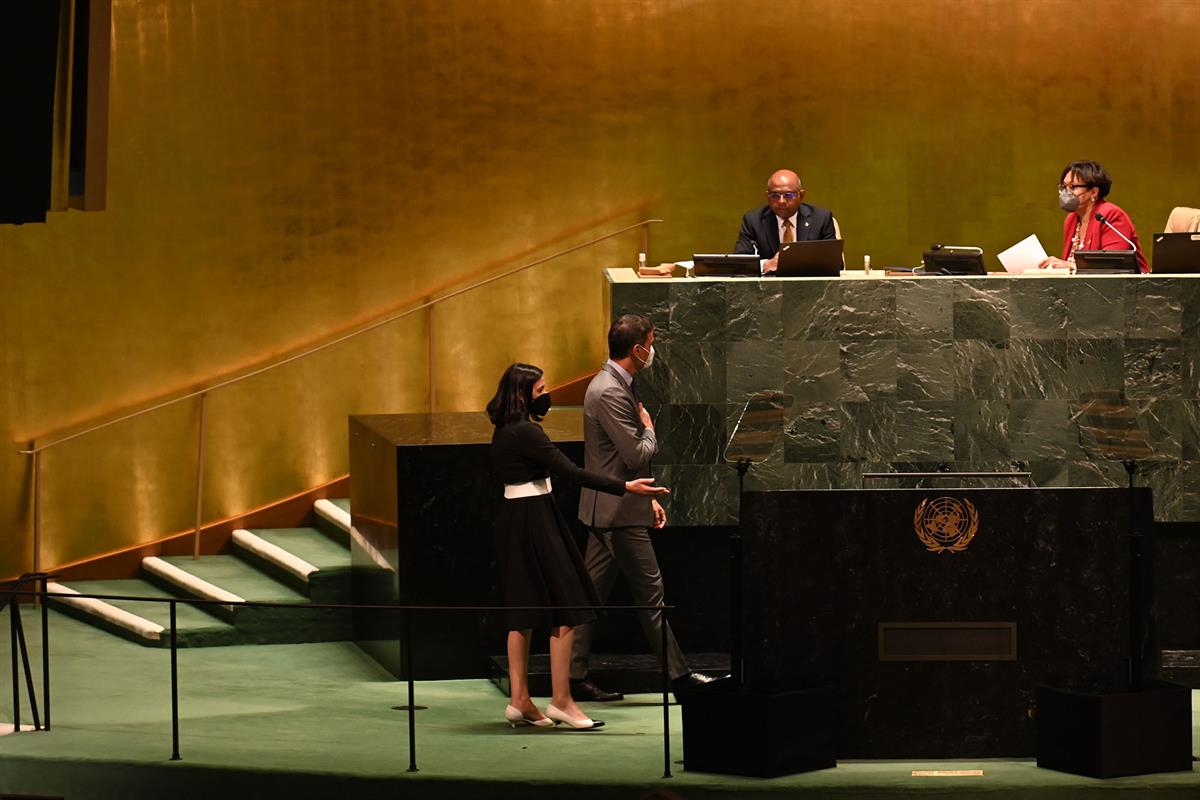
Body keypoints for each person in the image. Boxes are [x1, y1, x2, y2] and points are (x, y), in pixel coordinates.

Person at [488, 362, 668, 731]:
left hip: (517, 517)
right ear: (523, 395)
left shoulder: (506, 429)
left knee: (523, 613)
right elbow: (571, 472)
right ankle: (561, 701)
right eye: (541, 391)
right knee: (567, 608)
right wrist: (626, 487)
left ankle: (520, 700)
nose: (547, 396)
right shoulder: (526, 432)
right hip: (535, 519)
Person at [570, 314, 718, 703]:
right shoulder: (611, 392)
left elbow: (612, 461)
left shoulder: (614, 384)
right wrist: (650, 428)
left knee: (589, 597)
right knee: (651, 596)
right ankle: (680, 678)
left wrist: (646, 497)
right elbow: (635, 452)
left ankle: (572, 675)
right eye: (650, 343)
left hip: (613, 509)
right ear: (637, 349)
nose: (653, 351)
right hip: (618, 516)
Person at [1037, 160, 1149, 273]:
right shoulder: (1071, 220)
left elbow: (1112, 266)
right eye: (1064, 187)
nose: (1066, 192)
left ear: (1094, 192)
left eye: (1072, 186)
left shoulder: (1111, 215)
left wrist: (1067, 265)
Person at [733, 168, 837, 274]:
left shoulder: (821, 219)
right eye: (775, 196)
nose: (781, 201)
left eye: (789, 195)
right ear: (767, 196)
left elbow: (836, 264)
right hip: (769, 288)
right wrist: (766, 264)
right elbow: (740, 263)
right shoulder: (753, 221)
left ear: (801, 195)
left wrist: (798, 263)